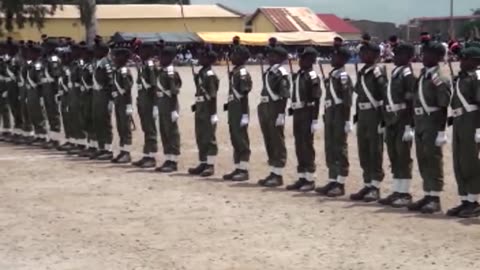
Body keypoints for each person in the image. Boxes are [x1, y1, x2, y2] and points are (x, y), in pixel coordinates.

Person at [408, 41, 451, 214]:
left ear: (439, 57)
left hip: (432, 121)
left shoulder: (440, 78)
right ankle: (427, 193)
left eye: (429, 54)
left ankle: (435, 197)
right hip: (420, 121)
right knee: (423, 158)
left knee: (433, 159)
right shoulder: (423, 75)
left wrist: (441, 131)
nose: (424, 57)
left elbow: (443, 107)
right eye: (424, 53)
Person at [378, 43, 416, 208]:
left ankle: (405, 193)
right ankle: (397, 190)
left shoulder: (407, 75)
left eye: (399, 55)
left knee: (403, 156)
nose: (395, 57)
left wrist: (409, 125)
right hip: (392, 119)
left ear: (408, 57)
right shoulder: (395, 72)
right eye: (395, 54)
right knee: (394, 155)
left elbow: (410, 102)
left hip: (402, 119)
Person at [446, 44, 480, 218]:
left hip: (472, 123)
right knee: (459, 162)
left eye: (465, 58)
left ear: (476, 61)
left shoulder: (477, 77)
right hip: (460, 121)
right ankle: (465, 199)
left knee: (470, 162)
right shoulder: (462, 77)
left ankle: (474, 202)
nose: (461, 60)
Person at [350, 42, 387, 202]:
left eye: (366, 52)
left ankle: (375, 186)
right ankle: (367, 183)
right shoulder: (363, 71)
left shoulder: (378, 71)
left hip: (374, 114)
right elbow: (359, 94)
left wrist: (383, 119)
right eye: (362, 52)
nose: (362, 55)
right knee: (363, 150)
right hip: (364, 114)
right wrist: (357, 115)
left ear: (375, 55)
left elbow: (385, 96)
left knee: (374, 150)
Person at [315, 46, 353, 197]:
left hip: (339, 114)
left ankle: (340, 183)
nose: (332, 59)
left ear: (343, 60)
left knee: (339, 148)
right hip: (330, 114)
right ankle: (332, 179)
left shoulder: (342, 76)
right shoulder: (333, 75)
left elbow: (347, 100)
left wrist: (347, 120)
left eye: (335, 57)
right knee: (330, 148)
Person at [285, 47, 321, 192]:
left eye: (304, 59)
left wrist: (315, 119)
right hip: (298, 112)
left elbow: (316, 98)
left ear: (311, 61)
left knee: (307, 145)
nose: (300, 61)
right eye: (300, 58)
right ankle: (302, 176)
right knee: (299, 144)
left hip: (307, 112)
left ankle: (310, 178)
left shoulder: (312, 76)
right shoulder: (299, 74)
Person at [257, 45, 291, 187]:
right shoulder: (270, 72)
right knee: (269, 140)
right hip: (265, 107)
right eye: (269, 55)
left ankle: (278, 174)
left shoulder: (281, 73)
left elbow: (283, 95)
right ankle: (273, 171)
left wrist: (281, 114)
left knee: (277, 141)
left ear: (280, 58)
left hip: (275, 109)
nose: (269, 58)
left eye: (273, 56)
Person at [223, 44, 252, 182]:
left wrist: (245, 115)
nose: (231, 57)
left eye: (235, 55)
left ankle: (244, 170)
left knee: (241, 140)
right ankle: (238, 167)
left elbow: (244, 95)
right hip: (234, 110)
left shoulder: (242, 73)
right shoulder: (235, 71)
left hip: (240, 110)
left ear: (242, 57)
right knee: (235, 139)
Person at [188, 47, 219, 177]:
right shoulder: (202, 73)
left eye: (202, 57)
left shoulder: (209, 75)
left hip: (208, 109)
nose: (199, 59)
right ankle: (203, 162)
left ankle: (210, 165)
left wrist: (213, 114)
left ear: (209, 59)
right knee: (200, 136)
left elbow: (212, 96)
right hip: (201, 108)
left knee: (209, 137)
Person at [155, 46, 182, 173]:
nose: (160, 59)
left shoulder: (171, 73)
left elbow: (174, 93)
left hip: (169, 106)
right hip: (162, 105)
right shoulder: (163, 71)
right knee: (164, 132)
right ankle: (168, 158)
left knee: (172, 133)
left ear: (169, 58)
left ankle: (173, 160)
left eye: (162, 57)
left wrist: (174, 110)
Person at [132, 42, 159, 168]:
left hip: (149, 102)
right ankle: (146, 155)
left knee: (150, 130)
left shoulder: (150, 66)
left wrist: (154, 105)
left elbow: (153, 86)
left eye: (142, 51)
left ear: (148, 52)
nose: (140, 53)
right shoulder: (143, 65)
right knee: (146, 129)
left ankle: (151, 157)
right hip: (143, 101)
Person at [91, 38, 114, 160]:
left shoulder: (107, 63)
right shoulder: (97, 62)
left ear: (103, 51)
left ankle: (108, 149)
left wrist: (110, 100)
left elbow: (110, 83)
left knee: (105, 122)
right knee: (97, 121)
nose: (94, 51)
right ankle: (101, 148)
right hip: (96, 95)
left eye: (97, 49)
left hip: (104, 95)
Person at [111, 43, 133, 164]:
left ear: (123, 58)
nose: (114, 59)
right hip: (118, 102)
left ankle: (127, 153)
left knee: (125, 129)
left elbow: (127, 89)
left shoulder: (124, 71)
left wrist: (129, 106)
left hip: (124, 103)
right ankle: (122, 150)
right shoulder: (117, 70)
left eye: (117, 56)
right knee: (120, 127)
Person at [41, 40, 63, 149]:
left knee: (53, 114)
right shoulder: (45, 59)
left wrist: (56, 92)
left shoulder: (53, 59)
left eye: (46, 47)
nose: (43, 49)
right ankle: (52, 137)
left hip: (51, 89)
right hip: (46, 89)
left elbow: (56, 76)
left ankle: (56, 139)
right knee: (48, 113)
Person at [78, 44, 97, 158]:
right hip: (84, 96)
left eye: (84, 53)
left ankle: (94, 146)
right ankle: (90, 145)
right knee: (86, 121)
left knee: (91, 122)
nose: (82, 55)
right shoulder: (85, 66)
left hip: (90, 96)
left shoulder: (91, 67)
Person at [0, 41, 12, 142]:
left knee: (4, 110)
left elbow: (9, 78)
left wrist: (7, 90)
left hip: (3, 89)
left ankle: (7, 130)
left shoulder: (4, 64)